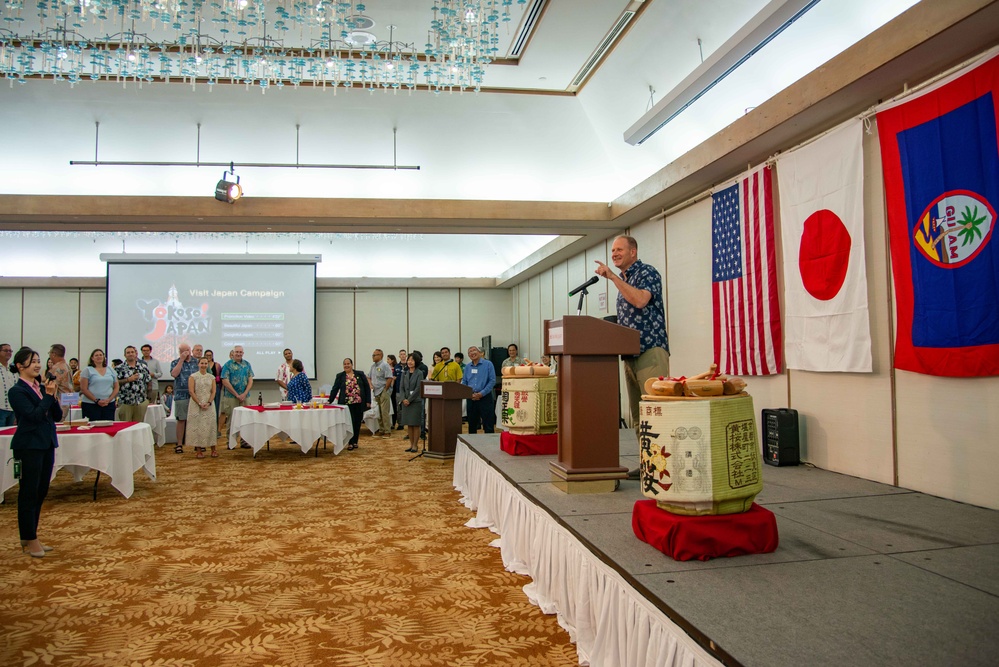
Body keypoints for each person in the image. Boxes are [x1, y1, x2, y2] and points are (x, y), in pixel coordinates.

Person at [595, 235, 669, 484]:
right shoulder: (624, 279)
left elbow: (640, 300)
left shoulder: (647, 272)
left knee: (656, 412)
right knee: (638, 416)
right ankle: (647, 463)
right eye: (612, 250)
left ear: (633, 252)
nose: (614, 253)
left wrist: (613, 277)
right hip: (629, 355)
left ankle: (663, 469)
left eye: (619, 249)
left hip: (650, 352)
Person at [7, 347, 62, 558]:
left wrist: (53, 395)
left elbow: (55, 416)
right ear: (20, 366)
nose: (38, 365)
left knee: (41, 491)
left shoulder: (41, 387)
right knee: (29, 493)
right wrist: (47, 397)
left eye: (39, 360)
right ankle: (30, 538)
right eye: (32, 362)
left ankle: (29, 535)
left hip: (46, 443)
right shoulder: (17, 391)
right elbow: (34, 416)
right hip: (29, 445)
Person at [329, 358, 370, 451]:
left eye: (348, 364)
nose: (346, 365)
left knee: (357, 423)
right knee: (349, 423)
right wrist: (330, 400)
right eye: (345, 364)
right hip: (346, 404)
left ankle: (355, 441)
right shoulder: (340, 376)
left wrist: (368, 401)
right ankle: (350, 442)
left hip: (358, 403)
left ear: (352, 364)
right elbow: (335, 389)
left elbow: (367, 388)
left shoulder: (360, 374)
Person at [220, 345, 254, 448]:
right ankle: (231, 442)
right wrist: (236, 394)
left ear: (243, 353)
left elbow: (250, 379)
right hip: (231, 397)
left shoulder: (247, 364)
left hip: (245, 396)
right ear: (233, 353)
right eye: (236, 352)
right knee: (232, 420)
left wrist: (244, 393)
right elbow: (225, 381)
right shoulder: (227, 365)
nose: (238, 354)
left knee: (246, 419)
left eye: (240, 352)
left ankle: (244, 441)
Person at [169, 343, 200, 454]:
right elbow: (174, 374)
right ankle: (179, 444)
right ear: (180, 352)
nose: (186, 352)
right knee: (181, 419)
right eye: (183, 351)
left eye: (188, 350)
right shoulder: (175, 362)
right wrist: (181, 360)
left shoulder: (196, 362)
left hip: (196, 395)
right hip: (181, 395)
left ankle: (197, 444)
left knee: (196, 419)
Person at [186, 356, 218, 458]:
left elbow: (213, 391)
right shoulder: (193, 376)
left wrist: (209, 402)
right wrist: (199, 403)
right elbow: (191, 391)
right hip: (196, 404)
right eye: (202, 363)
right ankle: (199, 451)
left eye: (205, 363)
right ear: (198, 364)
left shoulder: (211, 377)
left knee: (211, 425)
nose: (204, 365)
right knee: (197, 426)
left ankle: (213, 450)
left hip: (209, 404)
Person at [461, 346, 496, 434]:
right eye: (470, 352)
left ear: (480, 353)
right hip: (471, 398)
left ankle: (489, 445)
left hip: (485, 397)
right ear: (468, 356)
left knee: (488, 424)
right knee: (472, 425)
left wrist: (482, 393)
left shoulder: (488, 364)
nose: (472, 353)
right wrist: (469, 394)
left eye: (474, 350)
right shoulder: (468, 367)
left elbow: (492, 381)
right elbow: (464, 381)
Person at [79, 348, 119, 421]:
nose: (99, 357)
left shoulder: (111, 370)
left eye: (101, 355)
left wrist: (109, 400)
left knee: (108, 427)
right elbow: (83, 389)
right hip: (91, 405)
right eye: (96, 355)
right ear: (92, 358)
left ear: (104, 357)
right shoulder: (87, 370)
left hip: (108, 404)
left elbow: (116, 387)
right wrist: (96, 400)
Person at [115, 345, 152, 423]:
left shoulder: (143, 367)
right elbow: (115, 383)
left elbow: (149, 382)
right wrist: (128, 380)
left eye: (132, 352)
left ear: (136, 354)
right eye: (128, 353)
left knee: (139, 426)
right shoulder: (119, 368)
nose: (130, 354)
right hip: (125, 401)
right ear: (125, 355)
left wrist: (148, 399)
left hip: (141, 401)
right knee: (125, 427)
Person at [399, 351, 426, 453]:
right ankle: (411, 444)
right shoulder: (404, 373)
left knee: (416, 424)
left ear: (416, 361)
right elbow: (401, 387)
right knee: (409, 424)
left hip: (415, 401)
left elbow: (419, 388)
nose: (410, 362)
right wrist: (403, 399)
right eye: (409, 360)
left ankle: (415, 445)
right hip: (405, 402)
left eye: (412, 360)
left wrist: (409, 399)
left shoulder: (419, 373)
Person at [368, 349, 393, 438]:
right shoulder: (373, 366)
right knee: (378, 411)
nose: (373, 356)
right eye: (373, 355)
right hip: (375, 391)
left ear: (381, 356)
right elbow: (368, 377)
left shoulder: (385, 365)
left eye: (375, 355)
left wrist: (385, 389)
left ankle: (387, 431)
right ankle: (381, 430)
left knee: (384, 411)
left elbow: (390, 378)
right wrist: (371, 385)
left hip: (383, 390)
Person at [203, 349, 223, 417]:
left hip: (216, 387)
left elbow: (221, 377)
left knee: (215, 406)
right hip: (204, 388)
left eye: (210, 355)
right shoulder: (202, 365)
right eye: (207, 355)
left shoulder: (217, 365)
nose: (209, 356)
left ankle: (215, 424)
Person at [0, 343, 16, 427]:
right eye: (6, 350)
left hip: (12, 409)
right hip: (1, 408)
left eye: (10, 351)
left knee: (9, 435)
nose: (9, 352)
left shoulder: (13, 369)